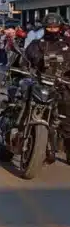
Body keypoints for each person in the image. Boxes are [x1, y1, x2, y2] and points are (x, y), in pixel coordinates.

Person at [23, 13, 70, 163]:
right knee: (23, 103)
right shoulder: (37, 44)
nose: (52, 29)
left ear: (61, 27)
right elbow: (25, 61)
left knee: (67, 119)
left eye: (55, 27)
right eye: (49, 27)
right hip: (41, 84)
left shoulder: (67, 44)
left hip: (63, 86)